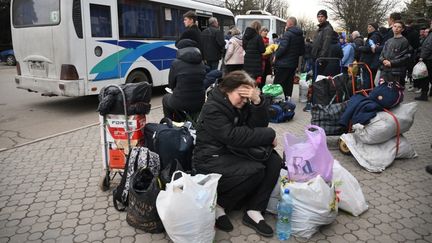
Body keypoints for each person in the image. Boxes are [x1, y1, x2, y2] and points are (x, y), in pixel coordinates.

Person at [192, 70, 282, 237]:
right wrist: (270, 135)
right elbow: (232, 136)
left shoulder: (240, 103)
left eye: (247, 96)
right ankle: (220, 204)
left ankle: (254, 210)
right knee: (256, 169)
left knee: (274, 161)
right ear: (228, 90)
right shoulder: (213, 107)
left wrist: (257, 101)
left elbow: (259, 125)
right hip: (211, 158)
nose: (244, 100)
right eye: (242, 95)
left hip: (233, 151)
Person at [162, 39, 206, 121]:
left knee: (165, 99)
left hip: (180, 102)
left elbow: (171, 85)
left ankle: (170, 124)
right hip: (199, 102)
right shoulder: (201, 63)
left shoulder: (176, 63)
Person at [273, 16, 305, 98]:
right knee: (289, 83)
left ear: (290, 24)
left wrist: (276, 55)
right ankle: (288, 99)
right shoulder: (300, 36)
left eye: (286, 23)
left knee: (278, 83)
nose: (286, 25)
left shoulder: (288, 33)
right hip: (293, 64)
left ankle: (275, 101)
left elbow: (283, 48)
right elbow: (302, 51)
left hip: (283, 63)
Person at [379, 20, 411, 87]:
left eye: (399, 27)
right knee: (383, 91)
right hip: (385, 71)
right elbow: (382, 54)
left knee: (394, 93)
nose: (396, 28)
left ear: (402, 29)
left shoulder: (404, 41)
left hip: (396, 73)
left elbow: (405, 57)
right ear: (392, 27)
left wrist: (391, 63)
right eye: (395, 26)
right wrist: (383, 60)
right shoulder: (389, 41)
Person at [311, 9, 334, 78]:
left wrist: (321, 59)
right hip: (315, 58)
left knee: (319, 80)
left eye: (322, 16)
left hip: (321, 60)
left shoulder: (327, 29)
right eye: (318, 16)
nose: (320, 18)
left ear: (326, 17)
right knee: (315, 79)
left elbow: (326, 45)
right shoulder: (319, 29)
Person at [416, 22, 432, 101]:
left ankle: (424, 95)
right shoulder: (430, 34)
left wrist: (422, 56)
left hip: (429, 59)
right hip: (428, 58)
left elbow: (429, 47)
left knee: (425, 77)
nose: (430, 24)